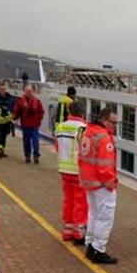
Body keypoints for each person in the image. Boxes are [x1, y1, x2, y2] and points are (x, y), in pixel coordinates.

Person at [78, 106, 120, 264]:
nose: (115, 126)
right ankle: (98, 249)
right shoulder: (104, 138)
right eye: (113, 122)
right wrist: (111, 183)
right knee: (105, 217)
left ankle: (90, 244)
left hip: (89, 182)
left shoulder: (88, 132)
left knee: (94, 214)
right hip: (102, 184)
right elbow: (105, 166)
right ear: (104, 120)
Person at [53, 99, 89, 244]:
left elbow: (57, 146)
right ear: (82, 112)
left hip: (64, 169)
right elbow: (86, 149)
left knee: (68, 200)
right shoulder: (83, 128)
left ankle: (67, 231)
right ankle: (79, 233)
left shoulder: (60, 127)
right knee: (81, 202)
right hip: (78, 170)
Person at [12, 85, 45, 163]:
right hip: (25, 124)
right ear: (24, 92)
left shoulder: (37, 101)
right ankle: (27, 155)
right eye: (27, 91)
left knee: (35, 141)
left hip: (34, 125)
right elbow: (17, 111)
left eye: (30, 91)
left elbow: (41, 111)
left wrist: (39, 120)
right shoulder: (20, 101)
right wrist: (14, 118)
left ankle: (36, 156)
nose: (29, 93)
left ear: (32, 92)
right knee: (26, 141)